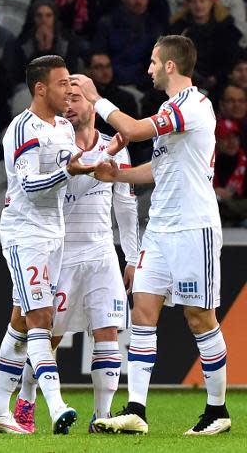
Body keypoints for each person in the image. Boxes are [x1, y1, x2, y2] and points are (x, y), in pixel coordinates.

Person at [71, 34, 231, 435]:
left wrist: (98, 99)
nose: (149, 69)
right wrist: (118, 175)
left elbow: (136, 131)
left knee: (200, 318)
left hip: (194, 226)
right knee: (142, 314)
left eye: (154, 62)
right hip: (160, 227)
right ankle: (137, 410)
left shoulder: (194, 105)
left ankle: (217, 411)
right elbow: (159, 170)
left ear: (171, 66)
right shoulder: (169, 108)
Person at [0, 55, 101, 435]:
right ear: (41, 88)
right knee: (41, 320)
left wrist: (98, 165)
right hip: (25, 233)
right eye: (63, 83)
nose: (70, 89)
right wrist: (68, 170)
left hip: (55, 234)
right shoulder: (22, 129)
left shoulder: (65, 127)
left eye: (71, 83)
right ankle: (54, 405)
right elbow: (31, 187)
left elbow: (70, 178)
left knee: (20, 321)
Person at [12, 82, 139, 434]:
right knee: (48, 335)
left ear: (92, 105)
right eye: (64, 98)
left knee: (108, 330)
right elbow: (63, 186)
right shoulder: (56, 144)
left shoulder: (117, 145)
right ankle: (26, 402)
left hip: (101, 251)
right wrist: (103, 158)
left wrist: (131, 256)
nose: (68, 105)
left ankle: (102, 416)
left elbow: (126, 205)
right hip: (61, 251)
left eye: (76, 98)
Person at [213, 117, 247, 226]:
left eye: (235, 137)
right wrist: (212, 192)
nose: (232, 142)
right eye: (226, 138)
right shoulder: (205, 165)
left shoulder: (244, 162)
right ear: (216, 140)